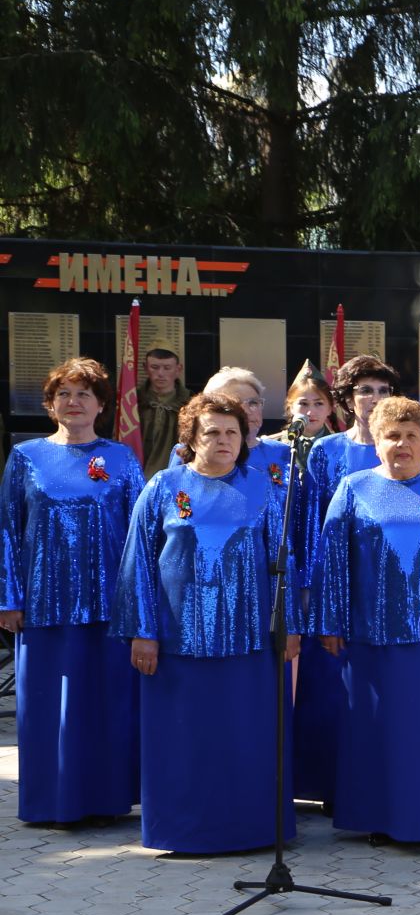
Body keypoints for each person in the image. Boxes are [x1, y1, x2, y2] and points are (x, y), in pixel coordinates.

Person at [112, 393, 298, 853]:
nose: (223, 440)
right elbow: (138, 563)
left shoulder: (264, 488)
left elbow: (283, 561)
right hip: (179, 642)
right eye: (212, 431)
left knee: (245, 736)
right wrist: (143, 632)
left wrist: (289, 625)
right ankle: (183, 831)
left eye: (232, 431)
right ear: (192, 438)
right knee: (184, 741)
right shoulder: (162, 488)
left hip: (250, 641)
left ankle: (252, 829)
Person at [315, 396, 420, 845]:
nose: (402, 444)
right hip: (371, 634)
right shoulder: (353, 488)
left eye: (412, 436)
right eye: (393, 436)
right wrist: (330, 621)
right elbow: (331, 558)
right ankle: (379, 815)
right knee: (377, 727)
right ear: (375, 442)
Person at [0, 359, 144, 825]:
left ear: (102, 405)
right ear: (49, 404)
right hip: (44, 604)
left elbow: (142, 533)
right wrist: (9, 597)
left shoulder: (120, 458)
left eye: (84, 394)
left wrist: (140, 602)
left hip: (109, 604)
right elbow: (6, 528)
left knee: (106, 702)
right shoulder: (27, 456)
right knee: (47, 707)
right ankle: (51, 803)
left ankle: (105, 800)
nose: (73, 402)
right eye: (64, 393)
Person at [294, 355, 399, 806]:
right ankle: (328, 783)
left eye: (381, 390)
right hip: (335, 583)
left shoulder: (402, 445)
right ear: (346, 398)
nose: (373, 399)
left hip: (386, 586)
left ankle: (374, 780)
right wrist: (308, 583)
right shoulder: (326, 451)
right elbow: (307, 521)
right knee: (332, 686)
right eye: (364, 391)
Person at [167, 369, 295, 496]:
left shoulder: (281, 452)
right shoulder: (189, 451)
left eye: (253, 403)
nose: (247, 411)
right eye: (235, 403)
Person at [136, 345, 189, 478]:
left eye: (167, 368)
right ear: (145, 368)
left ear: (178, 369)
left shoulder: (189, 405)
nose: (161, 373)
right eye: (155, 367)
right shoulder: (133, 403)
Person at [268, 361, 333, 444]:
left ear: (330, 408)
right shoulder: (273, 445)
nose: (310, 412)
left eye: (318, 403)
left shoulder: (341, 448)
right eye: (304, 404)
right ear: (291, 407)